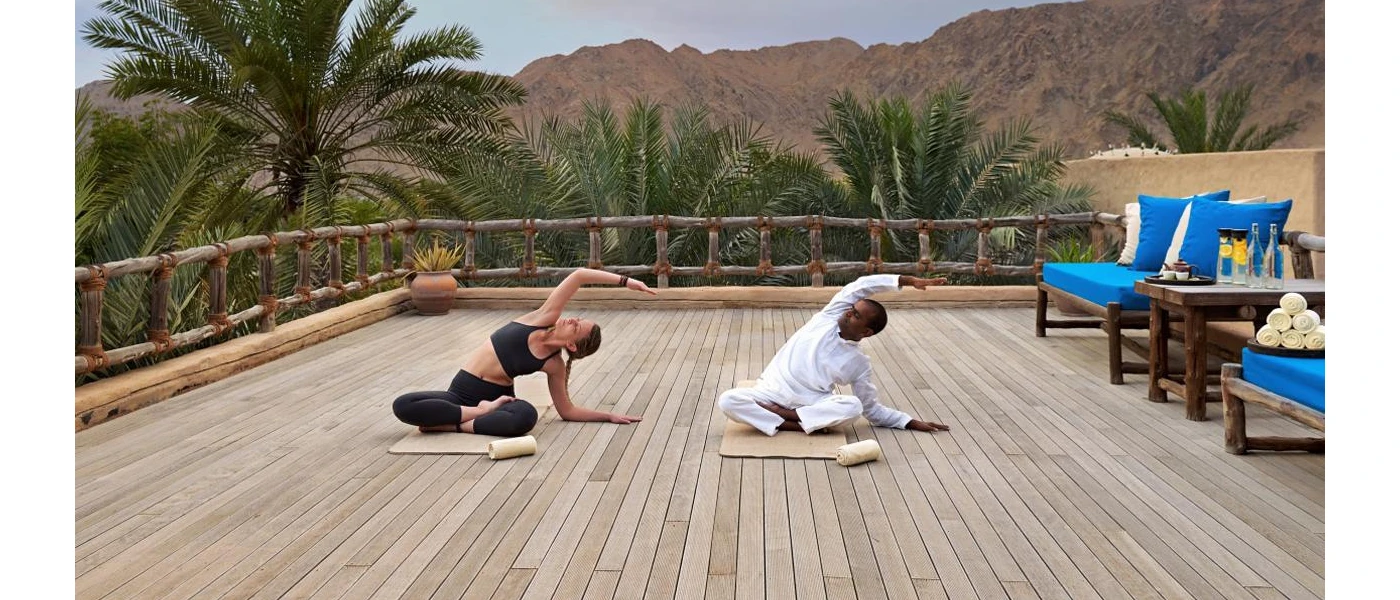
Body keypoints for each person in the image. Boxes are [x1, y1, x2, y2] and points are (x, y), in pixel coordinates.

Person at [392, 268, 654, 436]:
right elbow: (579, 276)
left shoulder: (554, 365)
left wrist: (608, 416)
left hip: (499, 401)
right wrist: (626, 281)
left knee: (525, 416)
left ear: (572, 346)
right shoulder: (544, 316)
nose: (571, 319)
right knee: (403, 405)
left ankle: (457, 424)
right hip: (461, 392)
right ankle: (476, 415)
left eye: (576, 327)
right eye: (577, 318)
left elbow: (567, 411)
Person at [717, 274, 953, 436]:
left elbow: (870, 409)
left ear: (867, 331)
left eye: (856, 315)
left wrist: (909, 422)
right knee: (728, 400)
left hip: (810, 401)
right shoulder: (828, 318)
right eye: (852, 309)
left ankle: (783, 417)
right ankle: (798, 426)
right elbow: (861, 285)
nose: (849, 312)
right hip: (770, 391)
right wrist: (908, 280)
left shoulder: (859, 363)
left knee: (852, 407)